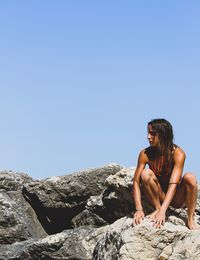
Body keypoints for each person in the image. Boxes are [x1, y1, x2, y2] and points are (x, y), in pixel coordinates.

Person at [132, 118, 199, 230]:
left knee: (190, 177)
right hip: (158, 195)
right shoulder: (145, 153)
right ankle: (157, 207)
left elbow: (173, 184)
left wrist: (164, 211)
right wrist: (139, 209)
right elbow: (136, 182)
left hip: (176, 198)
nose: (148, 137)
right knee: (145, 174)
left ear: (163, 135)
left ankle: (190, 219)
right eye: (148, 133)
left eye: (152, 134)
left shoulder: (178, 153)